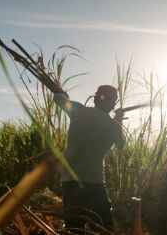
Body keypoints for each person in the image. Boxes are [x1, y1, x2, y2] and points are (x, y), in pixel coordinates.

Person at [53, 85, 125, 233]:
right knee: (105, 229)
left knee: (74, 230)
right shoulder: (114, 126)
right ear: (113, 104)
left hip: (70, 184)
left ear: (95, 98)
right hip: (94, 186)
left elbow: (58, 98)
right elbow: (121, 144)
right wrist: (119, 119)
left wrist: (62, 93)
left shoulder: (78, 110)